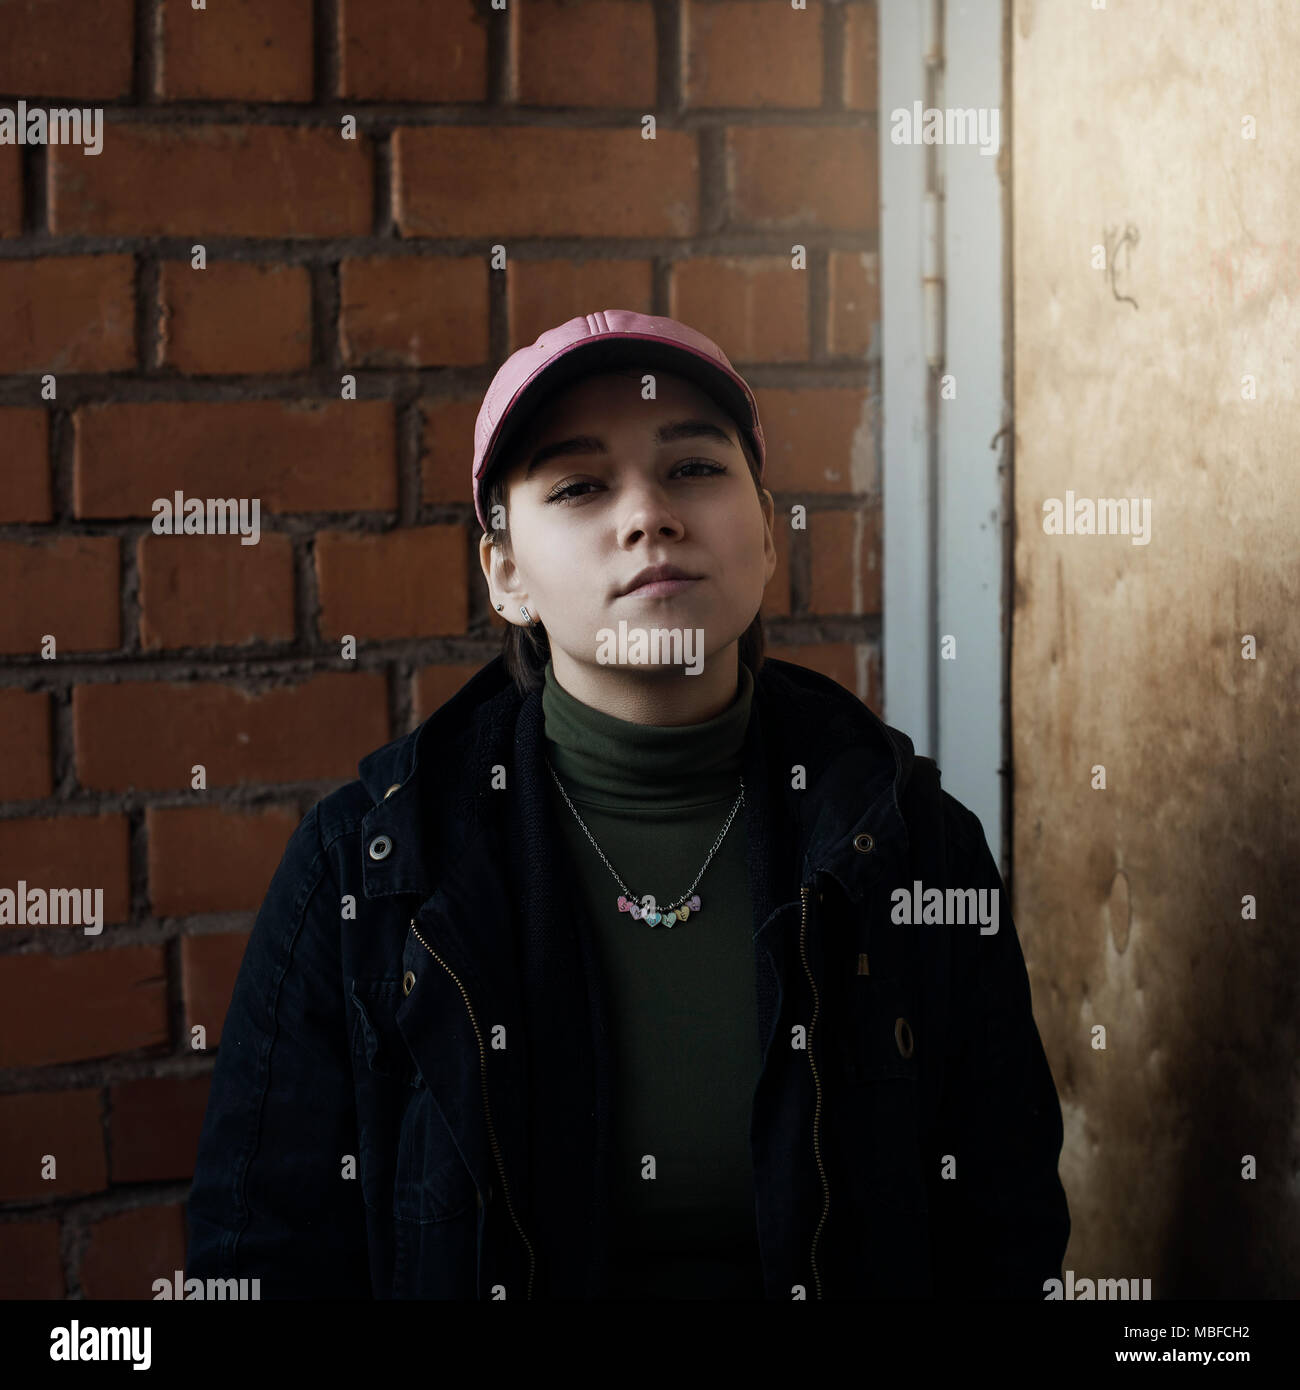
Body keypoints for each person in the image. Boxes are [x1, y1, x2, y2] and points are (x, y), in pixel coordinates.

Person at [185, 309, 1070, 1300]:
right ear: (506, 573)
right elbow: (260, 1256)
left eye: (693, 467)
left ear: (767, 534)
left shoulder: (909, 845)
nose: (648, 513)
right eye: (578, 486)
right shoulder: (372, 866)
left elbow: (1003, 1229)